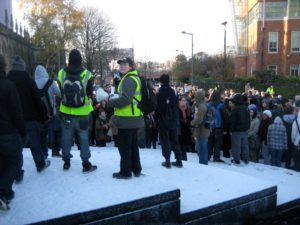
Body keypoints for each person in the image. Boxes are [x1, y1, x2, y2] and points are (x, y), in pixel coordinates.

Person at [7, 56, 50, 176]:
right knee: (34, 142)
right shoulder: (29, 82)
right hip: (30, 118)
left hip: (12, 120)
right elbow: (37, 101)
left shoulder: (7, 81)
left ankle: (17, 172)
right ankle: (40, 164)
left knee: (17, 147)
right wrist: (43, 116)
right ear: (23, 67)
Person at [57, 49, 97, 173]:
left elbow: (61, 91)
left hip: (66, 112)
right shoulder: (87, 74)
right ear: (80, 59)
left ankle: (66, 162)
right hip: (83, 113)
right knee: (84, 138)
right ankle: (86, 164)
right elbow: (90, 93)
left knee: (66, 137)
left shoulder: (61, 73)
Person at [107, 57, 144, 179]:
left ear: (131, 66)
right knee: (133, 146)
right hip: (133, 118)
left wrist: (111, 102)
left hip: (126, 119)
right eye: (120, 64)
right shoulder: (133, 77)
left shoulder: (128, 80)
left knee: (124, 147)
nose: (122, 66)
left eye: (125, 64)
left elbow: (126, 100)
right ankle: (136, 169)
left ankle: (125, 172)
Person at [0, 54, 26, 210]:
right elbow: (16, 112)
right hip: (7, 132)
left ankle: (5, 193)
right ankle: (3, 192)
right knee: (14, 161)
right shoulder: (8, 86)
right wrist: (23, 132)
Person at [155, 74, 182, 168]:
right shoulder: (173, 92)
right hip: (173, 120)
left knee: (165, 140)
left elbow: (159, 109)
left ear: (161, 81)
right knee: (174, 140)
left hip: (163, 121)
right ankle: (179, 160)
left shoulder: (160, 92)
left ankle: (167, 161)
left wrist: (156, 120)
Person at [34, 65, 61, 157]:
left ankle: (44, 153)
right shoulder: (51, 82)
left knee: (42, 134)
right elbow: (59, 93)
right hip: (51, 112)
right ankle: (55, 151)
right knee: (57, 130)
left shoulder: (33, 83)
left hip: (38, 115)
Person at [229, 93, 251, 164]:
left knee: (236, 145)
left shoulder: (235, 109)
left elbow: (232, 121)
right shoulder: (246, 108)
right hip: (245, 130)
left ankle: (237, 159)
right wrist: (247, 127)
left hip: (237, 130)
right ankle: (246, 159)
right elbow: (248, 119)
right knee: (245, 145)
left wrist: (231, 130)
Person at [190, 89, 211, 165]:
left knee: (201, 148)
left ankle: (203, 164)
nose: (195, 97)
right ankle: (203, 162)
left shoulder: (201, 106)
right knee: (201, 147)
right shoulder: (203, 104)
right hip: (204, 129)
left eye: (196, 95)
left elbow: (199, 119)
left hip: (202, 130)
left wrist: (191, 122)